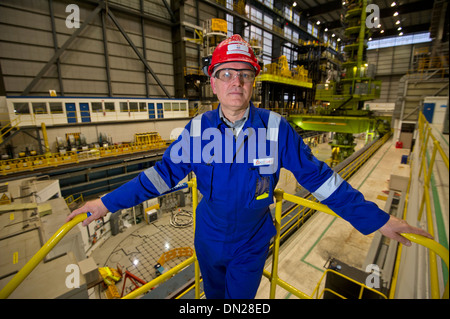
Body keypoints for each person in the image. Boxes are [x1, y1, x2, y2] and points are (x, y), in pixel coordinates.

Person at [66, 34, 432, 299]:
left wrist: (376, 219)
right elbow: (158, 178)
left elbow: (321, 180)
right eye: (226, 74)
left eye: (244, 74)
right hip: (207, 240)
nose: (235, 82)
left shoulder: (276, 129)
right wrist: (103, 204)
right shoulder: (197, 131)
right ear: (213, 82)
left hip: (251, 243)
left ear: (253, 81)